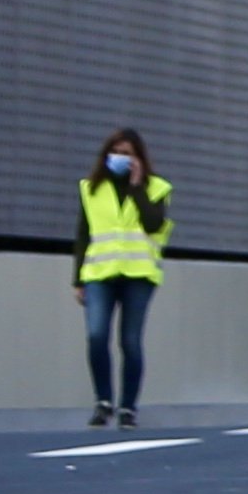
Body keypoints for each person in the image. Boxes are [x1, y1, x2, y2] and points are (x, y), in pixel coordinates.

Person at [72, 128, 171, 428]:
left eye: (127, 153)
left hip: (138, 275)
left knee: (130, 341)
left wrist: (137, 186)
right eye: (115, 152)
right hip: (100, 273)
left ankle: (128, 407)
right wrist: (77, 279)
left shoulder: (157, 188)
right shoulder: (91, 189)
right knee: (96, 335)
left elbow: (154, 224)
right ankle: (103, 401)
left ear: (139, 158)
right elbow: (82, 234)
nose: (120, 158)